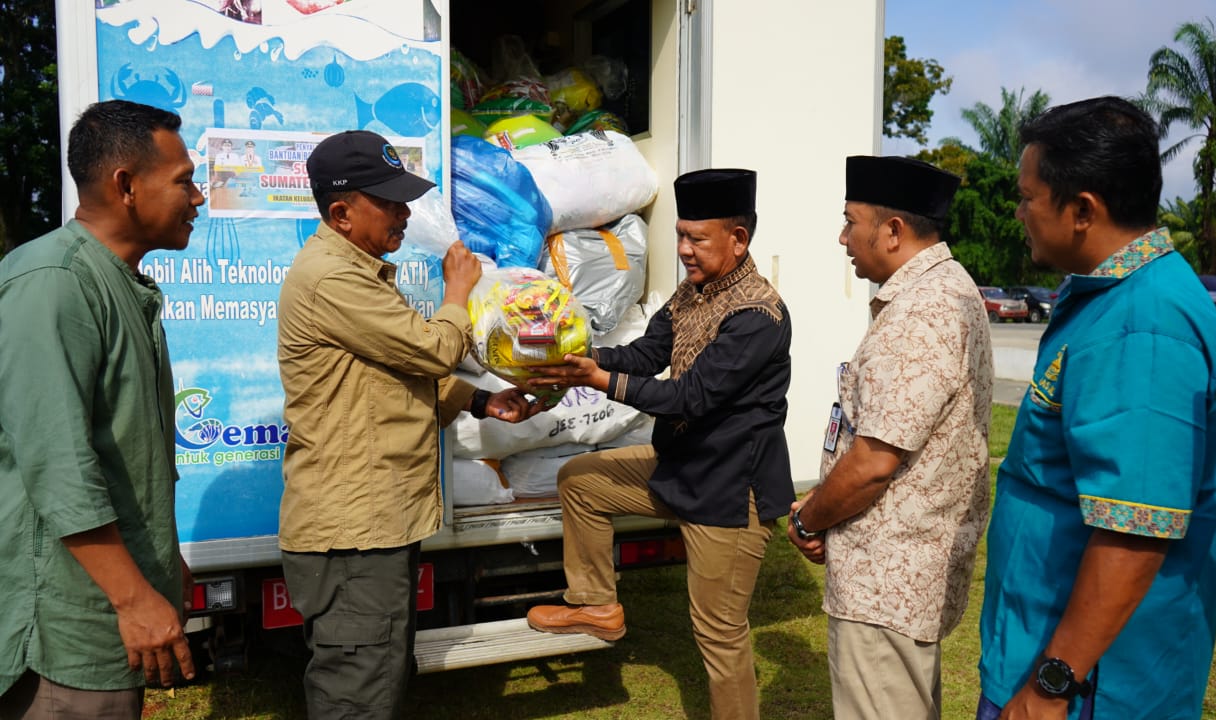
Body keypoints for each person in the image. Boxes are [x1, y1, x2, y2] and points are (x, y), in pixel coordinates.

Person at [977, 96, 1216, 720]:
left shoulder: (1141, 326)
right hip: (1046, 647)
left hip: (1090, 690)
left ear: (1082, 210)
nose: (1018, 213)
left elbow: (1132, 530)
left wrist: (1050, 688)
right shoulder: (1111, 298)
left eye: (1027, 196)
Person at [277, 129, 538, 720]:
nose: (404, 213)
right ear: (341, 212)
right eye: (389, 202)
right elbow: (432, 351)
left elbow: (397, 371)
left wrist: (480, 402)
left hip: (375, 521)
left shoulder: (360, 270)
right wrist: (459, 292)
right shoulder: (331, 278)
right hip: (353, 530)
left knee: (381, 672)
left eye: (404, 199)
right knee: (358, 690)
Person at [525, 169, 795, 720]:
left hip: (730, 490)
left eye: (697, 238)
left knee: (719, 635)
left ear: (738, 239)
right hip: (681, 467)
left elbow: (688, 397)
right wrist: (585, 357)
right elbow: (649, 354)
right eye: (680, 235)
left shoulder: (759, 316)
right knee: (581, 481)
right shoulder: (693, 292)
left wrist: (595, 381)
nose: (683, 250)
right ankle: (596, 604)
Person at [0, 99, 203, 718]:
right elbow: (59, 466)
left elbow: (125, 454)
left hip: (110, 608)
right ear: (126, 186)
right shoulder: (53, 281)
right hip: (69, 628)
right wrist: (132, 598)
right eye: (184, 180)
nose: (198, 197)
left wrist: (164, 563)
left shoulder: (117, 281)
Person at [787, 156, 993, 719]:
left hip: (886, 580)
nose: (843, 237)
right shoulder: (944, 290)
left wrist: (809, 519)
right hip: (903, 571)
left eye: (851, 222)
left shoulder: (921, 312)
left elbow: (875, 460)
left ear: (893, 231)